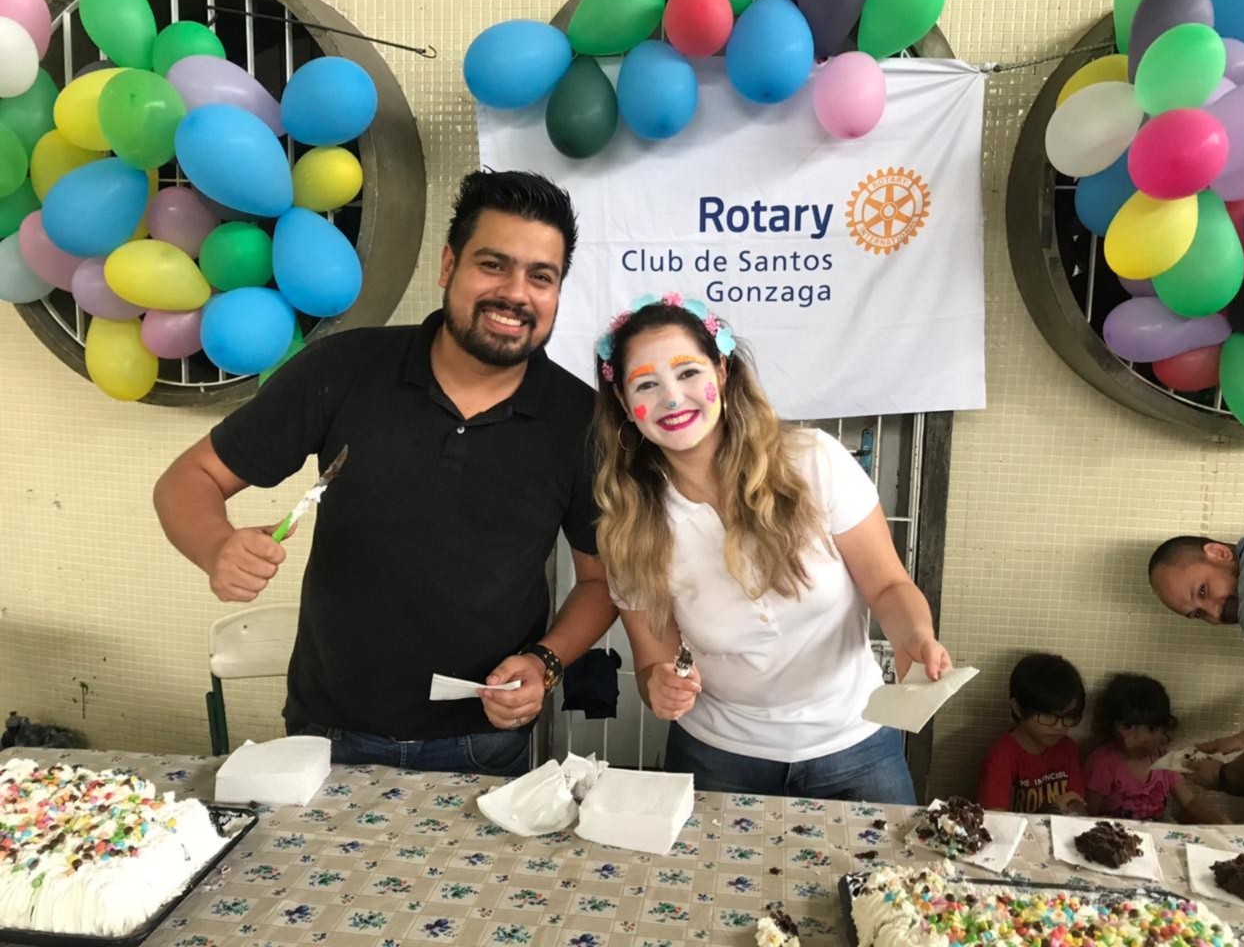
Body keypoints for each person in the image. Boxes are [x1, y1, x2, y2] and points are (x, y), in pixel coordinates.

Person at [153, 170, 616, 773]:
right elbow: (189, 479)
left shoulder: (581, 421)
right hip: (326, 733)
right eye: (493, 265)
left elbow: (601, 582)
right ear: (448, 265)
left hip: (484, 743)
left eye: (540, 276)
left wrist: (545, 662)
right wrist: (216, 547)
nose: (515, 293)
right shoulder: (345, 368)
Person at [590, 293, 952, 801]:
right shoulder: (629, 525)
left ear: (722, 371)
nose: (672, 398)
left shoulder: (814, 462)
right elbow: (654, 662)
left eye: (688, 372)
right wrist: (658, 688)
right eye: (647, 384)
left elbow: (888, 585)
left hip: (857, 741)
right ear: (625, 405)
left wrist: (916, 635)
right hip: (717, 756)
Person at [1148, 536, 1244, 800]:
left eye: (1202, 591)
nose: (1215, 613)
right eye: (1198, 614)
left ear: (1219, 553)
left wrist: (1228, 778)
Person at [1084, 673, 1227, 824]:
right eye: (1128, 726)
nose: (1141, 738)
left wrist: (1222, 823)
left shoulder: (1164, 760)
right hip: (1114, 831)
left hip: (1157, 831)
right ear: (1111, 725)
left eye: (1151, 728)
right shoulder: (1103, 763)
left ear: (1164, 729)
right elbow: (1087, 813)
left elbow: (1189, 801)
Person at [978, 653, 1087, 814]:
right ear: (1018, 709)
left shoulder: (1066, 747)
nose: (1059, 726)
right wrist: (1053, 809)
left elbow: (1078, 807)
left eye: (1068, 717)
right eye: (1048, 715)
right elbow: (995, 819)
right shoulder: (1002, 756)